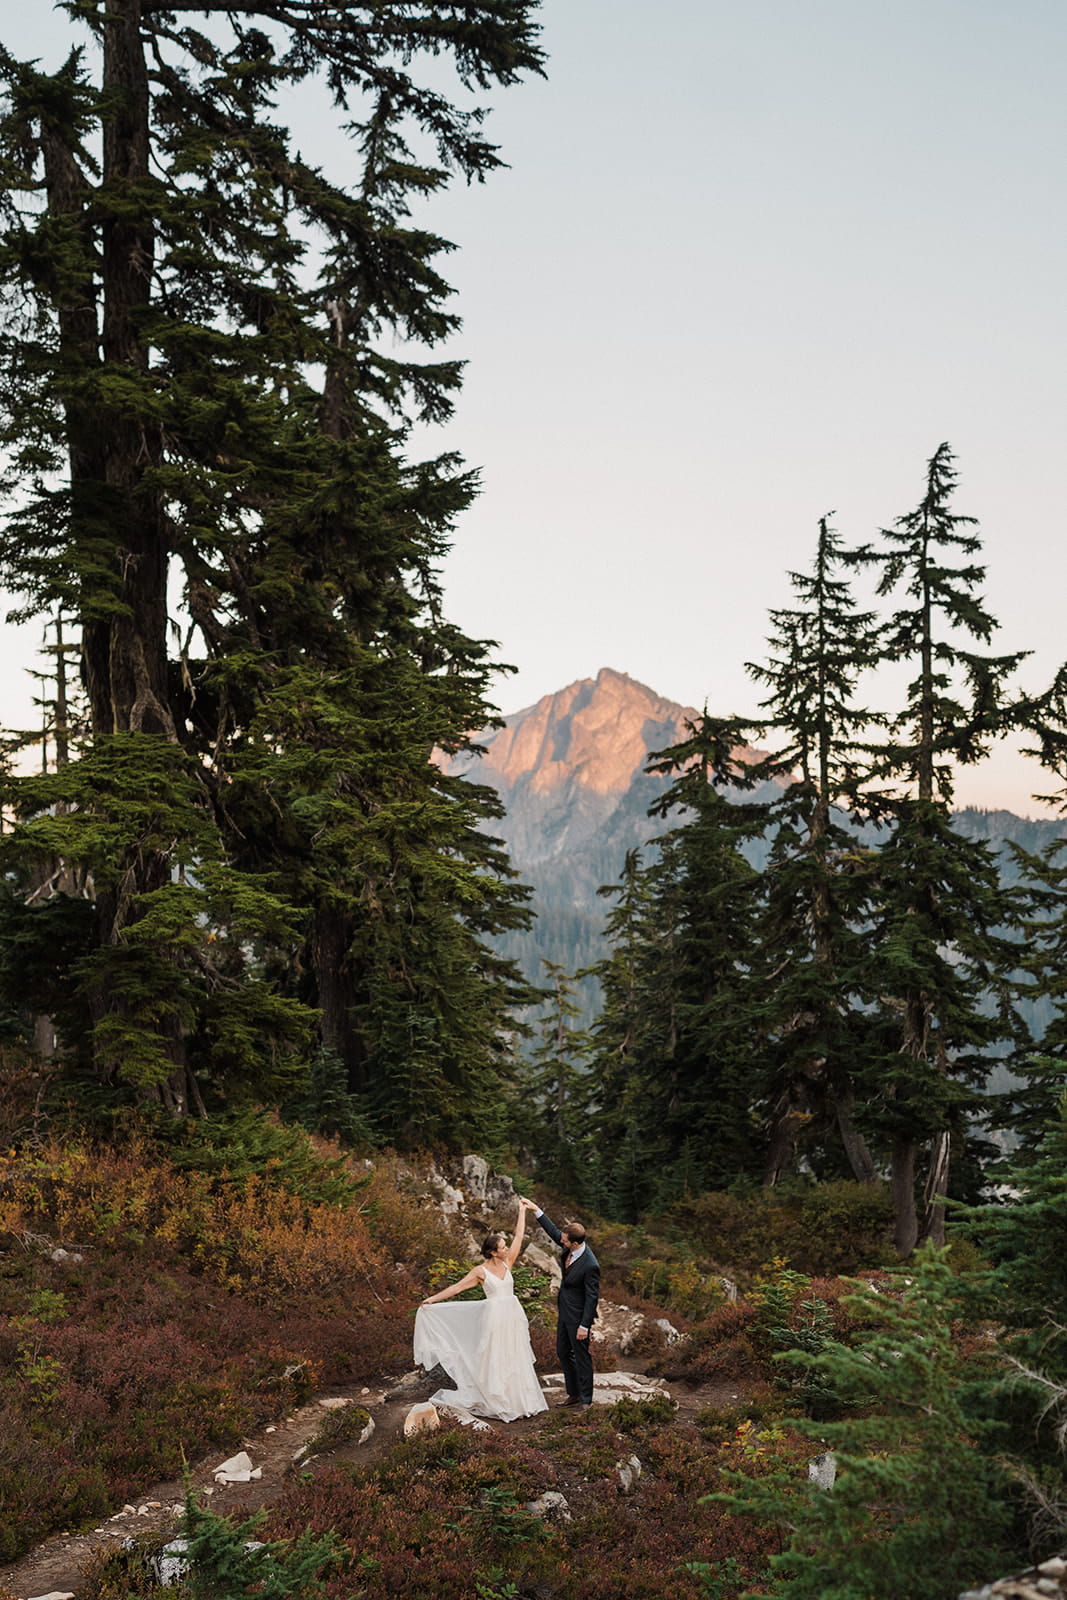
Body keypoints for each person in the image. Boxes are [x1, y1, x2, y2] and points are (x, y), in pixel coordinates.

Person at [413, 1199, 547, 1422]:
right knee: (495, 1357)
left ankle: (518, 1400)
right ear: (493, 1253)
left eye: (505, 1246)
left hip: (512, 1318)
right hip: (493, 1320)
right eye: (502, 1247)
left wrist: (522, 1211)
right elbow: (457, 1287)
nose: (506, 1249)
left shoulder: (508, 1262)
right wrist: (433, 1299)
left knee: (515, 1356)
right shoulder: (480, 1271)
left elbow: (519, 1237)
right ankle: (498, 1399)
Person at [519, 1197, 599, 1407]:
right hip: (564, 1311)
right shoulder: (569, 1246)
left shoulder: (590, 1265)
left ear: (575, 1242)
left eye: (565, 1240)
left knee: (582, 1356)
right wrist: (536, 1209)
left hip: (579, 1317)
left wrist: (585, 1325)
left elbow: (592, 1297)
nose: (560, 1241)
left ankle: (586, 1400)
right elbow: (554, 1232)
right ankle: (573, 1394)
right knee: (563, 1352)